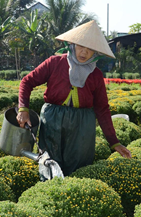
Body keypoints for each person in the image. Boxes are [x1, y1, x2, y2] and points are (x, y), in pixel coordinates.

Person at [16, 20, 131, 176]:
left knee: (79, 168)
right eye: (80, 47)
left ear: (95, 52)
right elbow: (27, 82)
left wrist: (114, 142)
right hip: (52, 121)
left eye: (90, 49)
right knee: (49, 164)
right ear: (72, 45)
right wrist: (23, 108)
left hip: (82, 126)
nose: (84, 53)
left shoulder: (95, 74)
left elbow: (102, 108)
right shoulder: (54, 63)